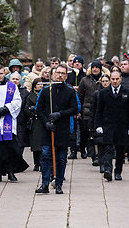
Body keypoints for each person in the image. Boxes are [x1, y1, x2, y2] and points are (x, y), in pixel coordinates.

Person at [35, 64, 79, 194]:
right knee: (46, 155)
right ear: (53, 74)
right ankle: (44, 184)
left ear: (66, 76)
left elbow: (74, 108)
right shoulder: (45, 90)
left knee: (61, 157)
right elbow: (39, 110)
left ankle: (58, 183)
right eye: (57, 73)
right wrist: (46, 123)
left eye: (63, 73)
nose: (60, 75)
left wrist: (60, 114)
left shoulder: (70, 91)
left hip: (62, 130)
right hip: (48, 130)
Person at [95, 71, 129, 181]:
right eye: (112, 79)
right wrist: (98, 125)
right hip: (108, 125)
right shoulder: (104, 92)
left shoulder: (127, 92)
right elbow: (99, 110)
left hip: (122, 126)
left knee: (120, 150)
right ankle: (108, 170)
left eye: (117, 79)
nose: (115, 81)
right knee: (108, 148)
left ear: (120, 79)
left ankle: (118, 172)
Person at [77, 60, 103, 163]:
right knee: (85, 133)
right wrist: (79, 110)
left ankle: (95, 155)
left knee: (96, 134)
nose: (95, 69)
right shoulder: (84, 80)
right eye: (93, 67)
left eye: (97, 67)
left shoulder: (104, 79)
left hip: (100, 111)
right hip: (87, 110)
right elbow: (79, 95)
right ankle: (84, 149)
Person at [89, 74, 110, 173]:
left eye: (107, 81)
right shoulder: (97, 94)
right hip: (100, 121)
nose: (105, 83)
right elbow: (92, 110)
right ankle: (102, 163)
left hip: (111, 122)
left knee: (109, 145)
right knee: (101, 144)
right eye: (103, 81)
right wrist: (91, 125)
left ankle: (107, 164)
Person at [24, 78, 45, 171]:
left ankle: (42, 162)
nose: (40, 86)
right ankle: (36, 163)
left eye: (41, 84)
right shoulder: (30, 96)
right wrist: (34, 112)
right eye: (38, 84)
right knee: (35, 144)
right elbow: (26, 109)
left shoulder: (45, 94)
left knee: (43, 144)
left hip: (43, 121)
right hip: (35, 122)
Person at [9, 72, 30, 153]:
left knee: (20, 145)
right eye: (13, 79)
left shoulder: (25, 92)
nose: (15, 81)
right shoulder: (5, 91)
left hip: (21, 122)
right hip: (8, 122)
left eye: (17, 79)